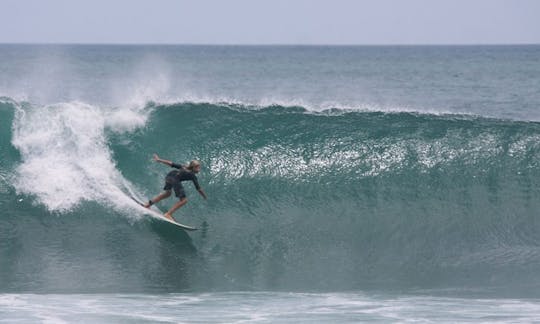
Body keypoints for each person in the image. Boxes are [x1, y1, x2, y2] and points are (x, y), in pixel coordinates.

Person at [144, 153, 207, 221]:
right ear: (193, 167)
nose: (199, 169)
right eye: (198, 167)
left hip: (169, 176)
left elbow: (171, 163)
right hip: (175, 179)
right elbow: (198, 189)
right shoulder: (193, 176)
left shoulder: (184, 166)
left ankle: (148, 204)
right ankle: (168, 214)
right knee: (184, 201)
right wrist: (204, 196)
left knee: (167, 194)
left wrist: (159, 160)